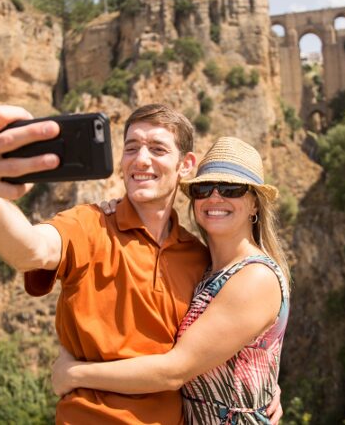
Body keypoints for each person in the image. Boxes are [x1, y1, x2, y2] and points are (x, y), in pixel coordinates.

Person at [0, 104, 283, 424]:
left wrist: (264, 388)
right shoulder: (89, 224)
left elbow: (187, 365)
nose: (141, 159)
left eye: (157, 148)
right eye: (132, 147)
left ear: (185, 165)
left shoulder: (198, 257)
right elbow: (30, 249)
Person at [51, 136, 291, 424]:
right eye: (204, 189)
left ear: (254, 204)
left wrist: (74, 374)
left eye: (231, 189)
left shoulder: (254, 277)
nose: (215, 197)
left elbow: (173, 371)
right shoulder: (205, 266)